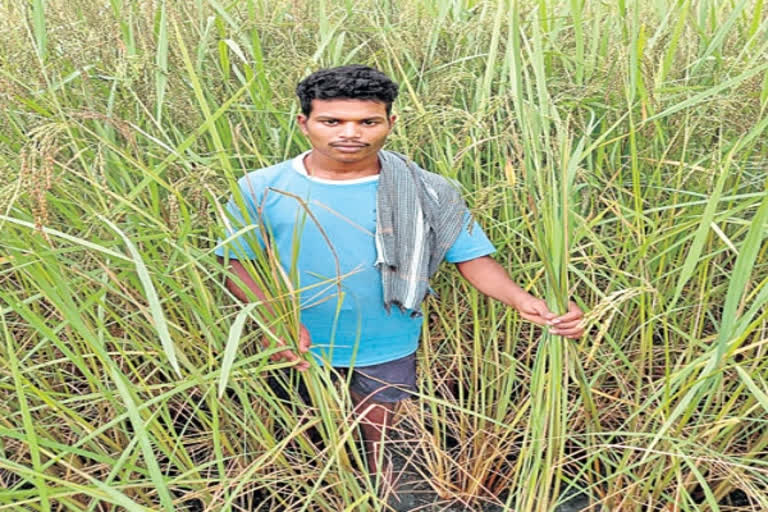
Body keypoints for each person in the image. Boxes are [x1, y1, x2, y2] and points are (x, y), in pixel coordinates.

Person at [215, 64, 584, 490]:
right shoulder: (262, 187)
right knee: (303, 423)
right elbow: (237, 262)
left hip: (387, 335)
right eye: (332, 121)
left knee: (382, 418)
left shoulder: (426, 188)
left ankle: (380, 480)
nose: (350, 133)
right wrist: (274, 321)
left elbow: (471, 258)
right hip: (295, 338)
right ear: (304, 123)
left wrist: (523, 300)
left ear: (390, 122)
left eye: (367, 121)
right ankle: (315, 485)